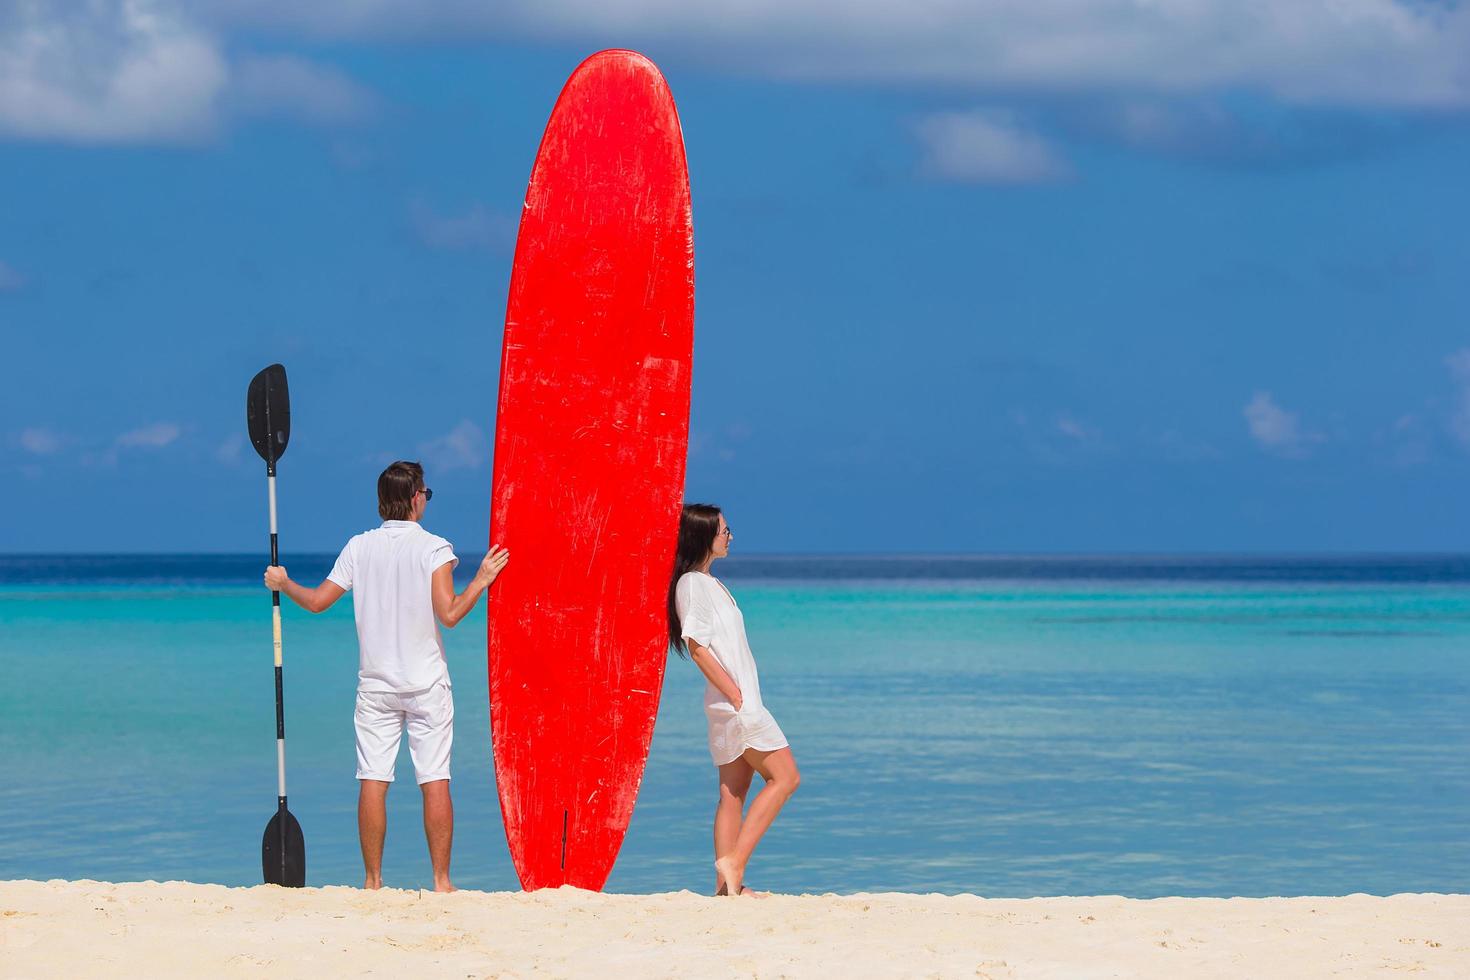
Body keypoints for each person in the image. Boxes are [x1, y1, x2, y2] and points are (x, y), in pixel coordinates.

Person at [263, 460, 508, 892]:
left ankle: (373, 882)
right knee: (434, 778)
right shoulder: (434, 548)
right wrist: (482, 580)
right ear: (415, 498)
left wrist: (284, 584)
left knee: (373, 779)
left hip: (375, 685)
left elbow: (319, 602)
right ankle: (441, 882)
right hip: (427, 684)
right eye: (426, 494)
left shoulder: (359, 547)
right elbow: (449, 614)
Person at [668, 503, 799, 898]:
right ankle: (735, 861)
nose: (729, 536)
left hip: (733, 703)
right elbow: (698, 647)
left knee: (732, 793)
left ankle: (728, 891)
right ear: (703, 535)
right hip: (738, 705)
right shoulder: (692, 584)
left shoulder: (709, 583)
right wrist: (738, 695)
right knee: (786, 778)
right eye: (724, 530)